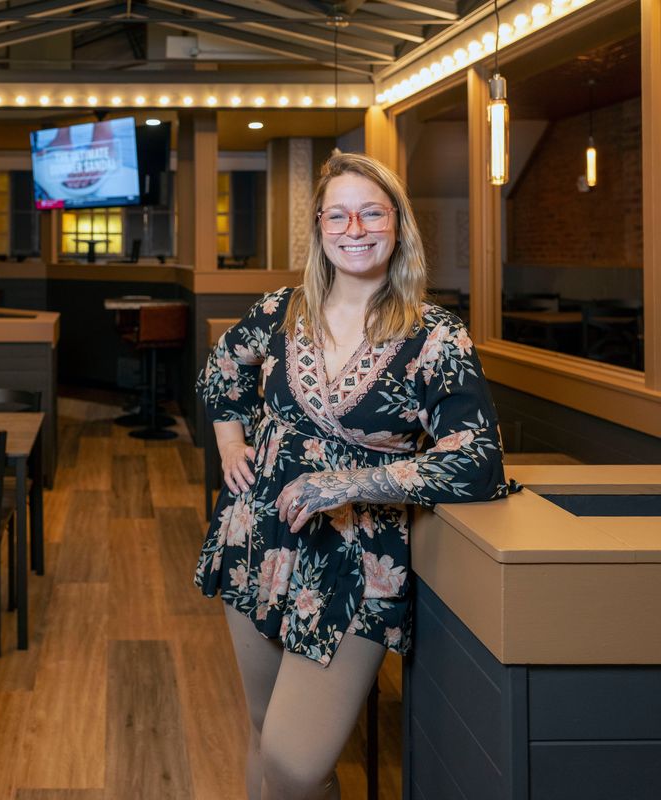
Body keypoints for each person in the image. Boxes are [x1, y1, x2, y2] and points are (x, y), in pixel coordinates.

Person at [196, 152, 511, 800]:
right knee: (262, 732)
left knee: (295, 761)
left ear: (398, 224)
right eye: (338, 214)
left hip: (354, 555)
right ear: (319, 227)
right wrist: (231, 437)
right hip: (254, 535)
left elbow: (476, 458)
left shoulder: (434, 336)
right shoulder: (282, 310)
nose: (355, 227)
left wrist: (346, 485)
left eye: (372, 212)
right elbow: (223, 366)